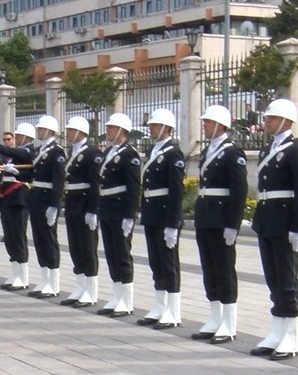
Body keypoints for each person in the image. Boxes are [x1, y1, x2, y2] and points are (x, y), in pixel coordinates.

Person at [249, 99, 298, 360]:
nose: (267, 122)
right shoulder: (268, 150)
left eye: (272, 118)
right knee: (273, 278)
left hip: (285, 223)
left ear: (287, 121)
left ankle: (290, 335)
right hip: (268, 221)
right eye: (267, 118)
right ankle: (277, 330)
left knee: (287, 280)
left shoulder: (295, 151)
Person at [0, 116, 66, 297]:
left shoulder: (55, 151)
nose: (38, 132)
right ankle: (43, 280)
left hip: (36, 199)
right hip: (33, 199)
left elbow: (58, 182)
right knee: (37, 240)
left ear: (50, 130)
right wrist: (15, 171)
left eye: (40, 129)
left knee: (47, 241)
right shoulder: (39, 151)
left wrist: (55, 205)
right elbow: (31, 176)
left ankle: (52, 283)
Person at [190, 105, 247, 344]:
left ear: (220, 125)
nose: (204, 125)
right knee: (209, 269)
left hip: (222, 218)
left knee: (224, 270)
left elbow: (239, 190)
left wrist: (232, 224)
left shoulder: (232, 152)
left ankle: (228, 322)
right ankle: (215, 317)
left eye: (208, 122)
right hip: (206, 216)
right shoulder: (208, 151)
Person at [136, 108, 185, 329]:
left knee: (168, 263)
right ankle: (160, 304)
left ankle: (173, 310)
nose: (151, 129)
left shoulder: (174, 153)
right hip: (152, 212)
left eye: (154, 126)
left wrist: (172, 223)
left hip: (165, 214)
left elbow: (176, 191)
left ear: (166, 128)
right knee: (156, 262)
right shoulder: (154, 150)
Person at [96, 113, 140, 317]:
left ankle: (127, 300)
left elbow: (133, 187)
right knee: (111, 253)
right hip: (107, 208)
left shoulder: (129, 154)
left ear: (122, 131)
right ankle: (117, 293)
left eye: (111, 128)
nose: (108, 131)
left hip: (120, 209)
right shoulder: (110, 152)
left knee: (122, 254)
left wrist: (130, 216)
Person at [60, 116, 102, 307]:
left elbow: (96, 184)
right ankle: (80, 285)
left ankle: (91, 290)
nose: (67, 133)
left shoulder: (92, 153)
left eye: (70, 130)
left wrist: (93, 210)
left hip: (85, 205)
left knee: (88, 248)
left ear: (80, 132)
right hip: (72, 204)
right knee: (75, 247)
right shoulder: (73, 151)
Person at [0, 129, 32, 291]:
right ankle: (15, 271)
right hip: (7, 199)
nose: (11, 140)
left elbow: (22, 170)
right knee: (9, 237)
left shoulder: (25, 153)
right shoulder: (8, 157)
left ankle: (23, 276)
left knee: (18, 236)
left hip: (19, 199)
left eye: (15, 136)